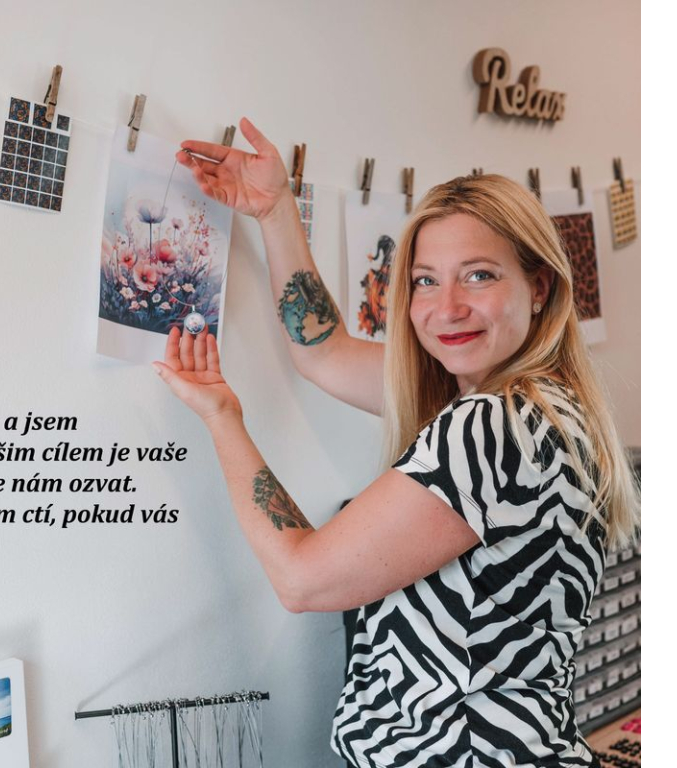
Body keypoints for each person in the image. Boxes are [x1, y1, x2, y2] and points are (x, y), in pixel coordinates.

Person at [152, 118, 640, 768]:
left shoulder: (490, 427)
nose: (446, 307)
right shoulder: (545, 409)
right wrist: (274, 211)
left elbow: (302, 579)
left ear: (539, 287)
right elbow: (324, 352)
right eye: (425, 280)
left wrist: (221, 417)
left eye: (479, 275)